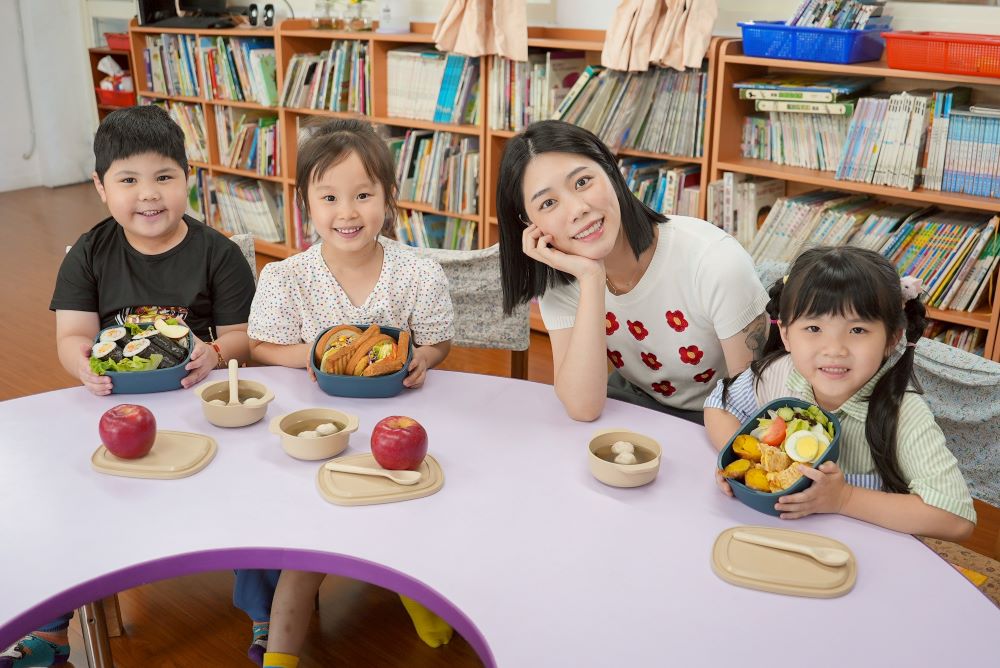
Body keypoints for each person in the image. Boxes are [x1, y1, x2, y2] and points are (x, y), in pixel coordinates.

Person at [4, 105, 273, 668]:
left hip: (199, 402)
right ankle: (53, 631)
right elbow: (73, 334)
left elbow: (241, 336)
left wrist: (217, 352)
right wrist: (82, 363)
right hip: (115, 407)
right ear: (101, 187)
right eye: (128, 180)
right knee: (68, 492)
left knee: (255, 488)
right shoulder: (88, 253)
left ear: (188, 179)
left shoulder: (217, 252)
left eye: (163, 177)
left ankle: (265, 608)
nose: (148, 195)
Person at [245, 118, 455, 668]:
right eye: (329, 196)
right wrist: (311, 355)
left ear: (388, 199)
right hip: (313, 426)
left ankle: (419, 592)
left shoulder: (417, 273)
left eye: (363, 195)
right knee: (305, 545)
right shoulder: (285, 277)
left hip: (397, 427)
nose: (347, 212)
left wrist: (423, 361)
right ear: (305, 204)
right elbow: (264, 345)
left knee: (408, 514)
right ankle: (282, 652)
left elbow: (437, 341)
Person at [496, 120, 768, 425]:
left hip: (720, 420)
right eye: (548, 203)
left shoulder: (714, 261)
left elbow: (752, 410)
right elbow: (583, 407)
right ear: (529, 224)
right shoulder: (565, 276)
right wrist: (591, 279)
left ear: (611, 171)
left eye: (583, 182)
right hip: (636, 407)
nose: (577, 209)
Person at [704, 246, 976, 540]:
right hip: (775, 537)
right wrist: (742, 461)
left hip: (864, 553)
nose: (834, 350)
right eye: (813, 328)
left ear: (892, 339)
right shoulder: (782, 371)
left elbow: (956, 518)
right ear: (785, 334)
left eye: (857, 330)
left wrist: (843, 498)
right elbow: (719, 406)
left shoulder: (903, 413)